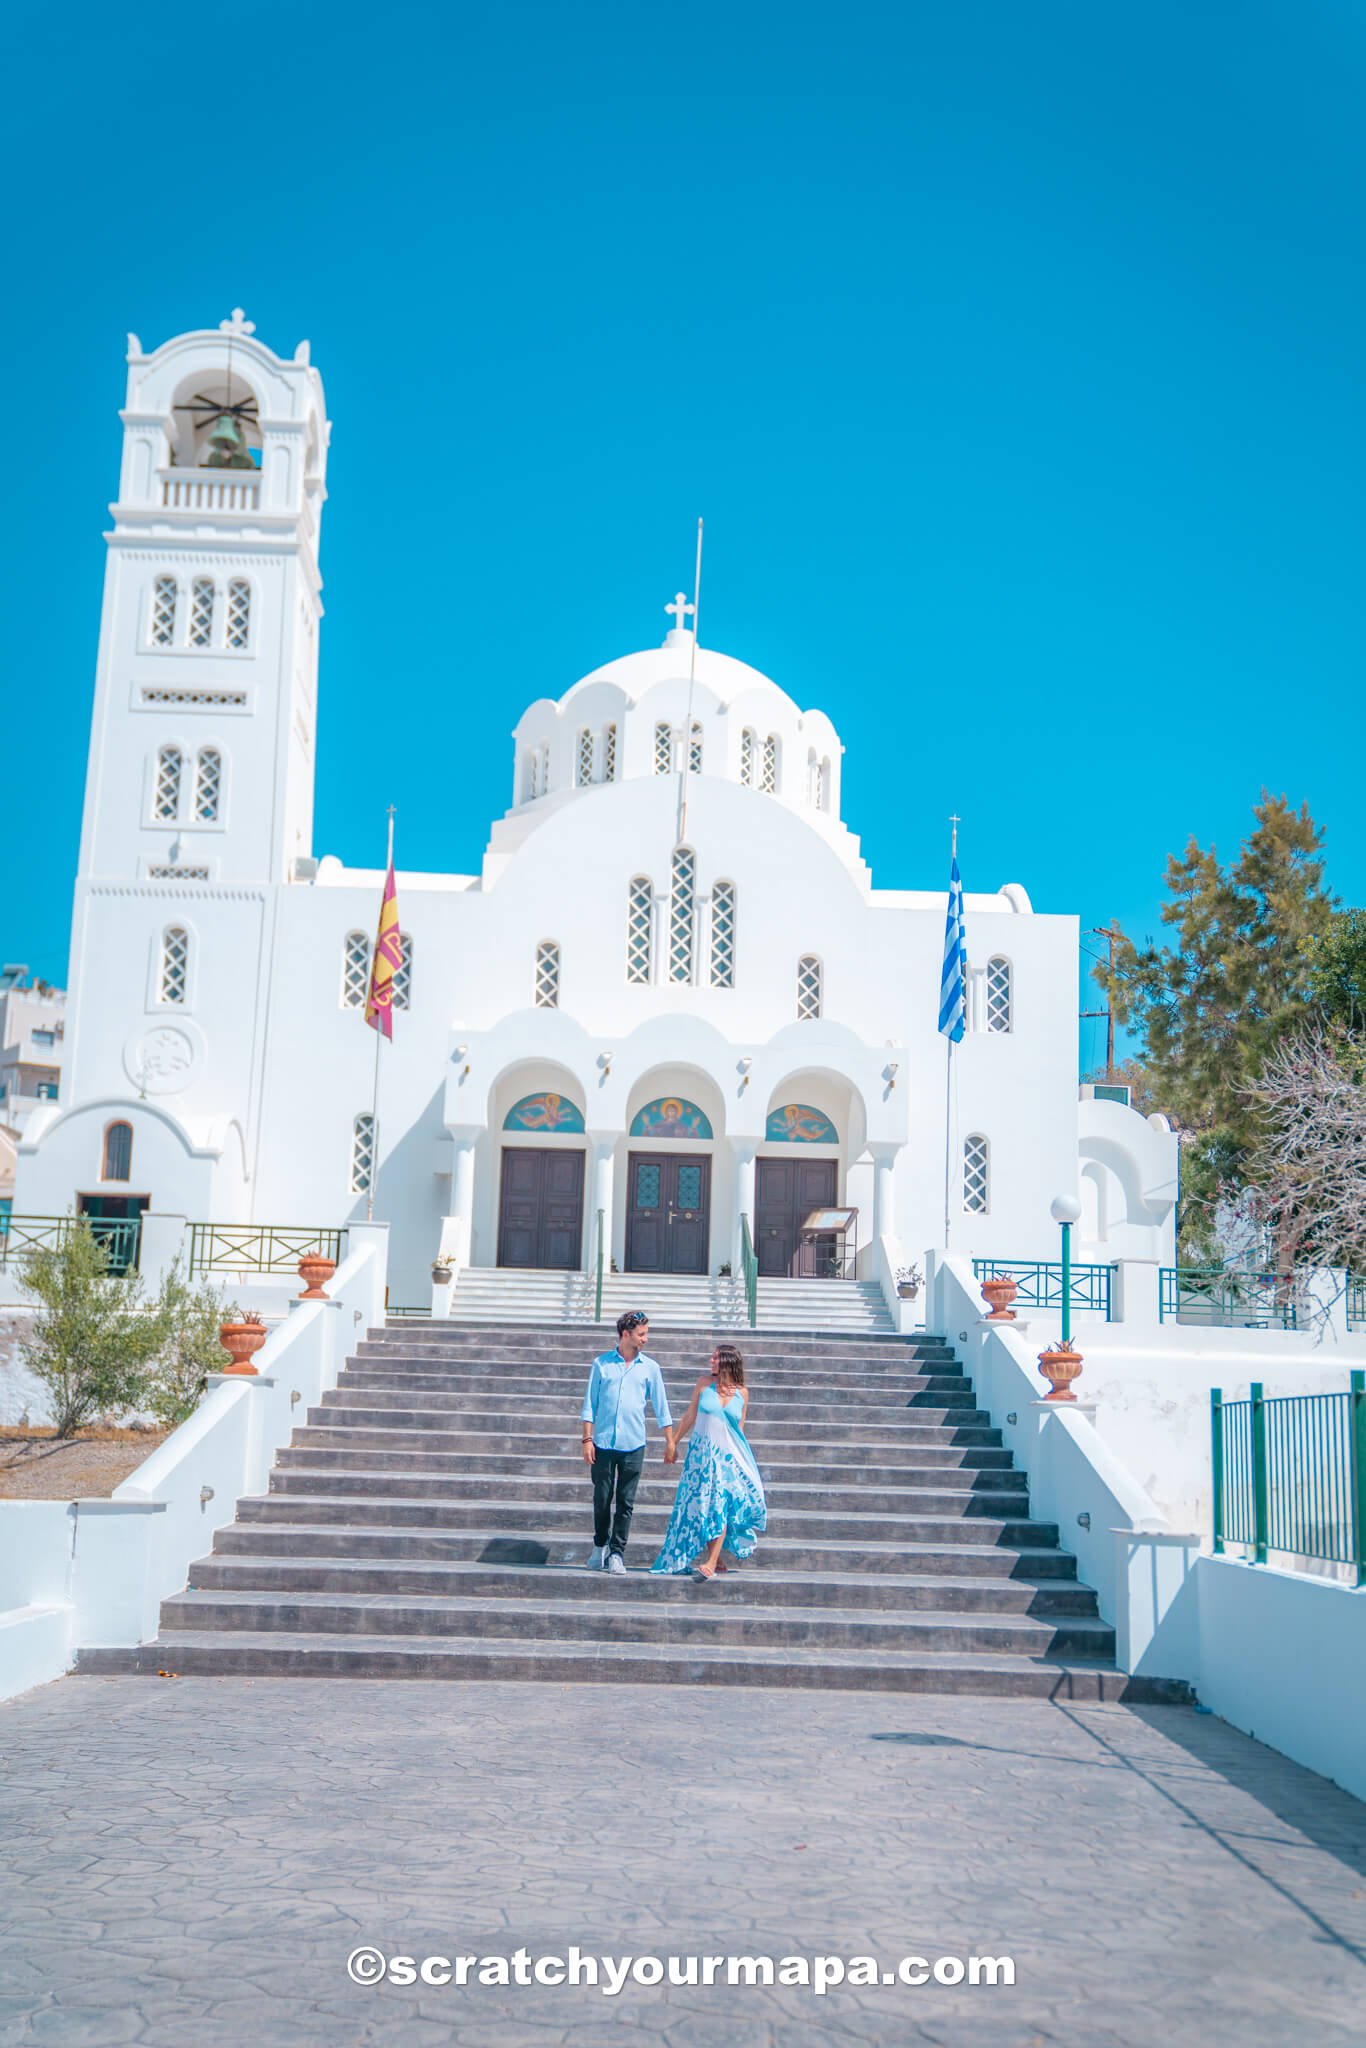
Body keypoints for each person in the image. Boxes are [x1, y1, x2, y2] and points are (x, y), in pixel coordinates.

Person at [651, 1343, 767, 1579]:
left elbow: (739, 1431)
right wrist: (673, 1443)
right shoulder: (704, 1384)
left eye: (715, 1358)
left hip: (727, 1460)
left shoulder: (742, 1393)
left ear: (727, 1362)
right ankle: (718, 1558)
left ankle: (711, 1562)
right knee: (702, 1504)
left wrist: (741, 1466)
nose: (711, 1361)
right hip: (701, 1457)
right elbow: (690, 1416)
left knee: (720, 1505)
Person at [580, 1309, 674, 1574]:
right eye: (641, 1334)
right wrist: (587, 1439)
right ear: (626, 1334)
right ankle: (600, 1545)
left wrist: (670, 1441)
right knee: (601, 1497)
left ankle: (616, 1553)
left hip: (634, 1444)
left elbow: (662, 1407)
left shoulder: (651, 1368)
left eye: (646, 1333)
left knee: (626, 1501)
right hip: (603, 1443)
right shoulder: (601, 1364)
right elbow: (590, 1404)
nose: (645, 1339)